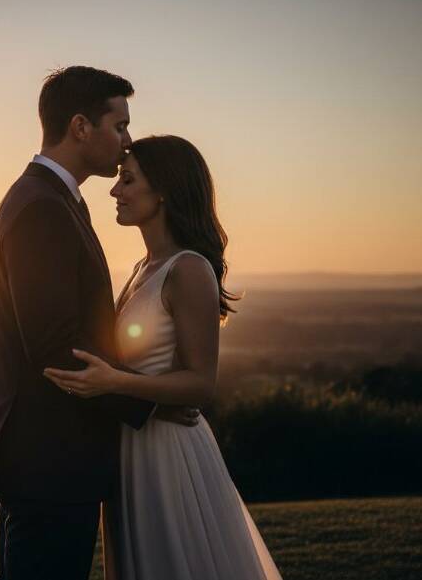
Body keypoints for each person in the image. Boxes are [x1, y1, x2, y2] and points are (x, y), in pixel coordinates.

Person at [0, 66, 199, 580]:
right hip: (50, 459)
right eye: (119, 126)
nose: (127, 141)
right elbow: (55, 347)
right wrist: (150, 401)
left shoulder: (49, 199)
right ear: (80, 127)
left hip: (48, 459)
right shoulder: (42, 208)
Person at [44, 135, 282, 579]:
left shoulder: (188, 269)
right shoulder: (143, 267)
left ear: (164, 192)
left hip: (168, 454)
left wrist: (116, 383)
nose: (115, 190)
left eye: (128, 180)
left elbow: (200, 383)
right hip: (130, 449)